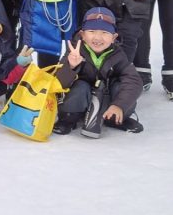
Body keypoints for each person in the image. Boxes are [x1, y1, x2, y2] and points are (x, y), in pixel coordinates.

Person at [53, 7, 144, 138]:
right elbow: (59, 83)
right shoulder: (74, 51)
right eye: (91, 31)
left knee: (120, 87)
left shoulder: (118, 54)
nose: (98, 37)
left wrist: (119, 105)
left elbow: (134, 81)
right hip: (81, 98)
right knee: (80, 87)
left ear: (114, 37)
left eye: (104, 33)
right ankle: (68, 119)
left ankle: (115, 118)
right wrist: (70, 66)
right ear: (82, 35)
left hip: (105, 98)